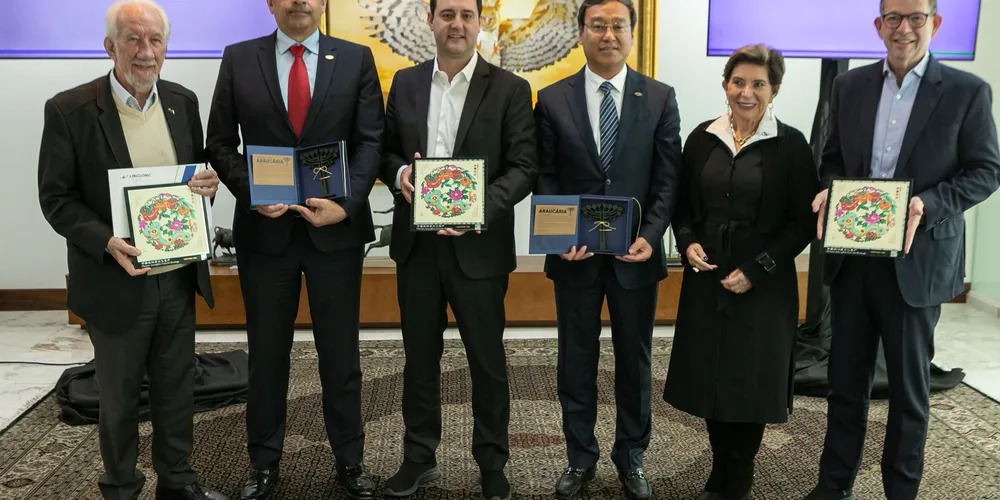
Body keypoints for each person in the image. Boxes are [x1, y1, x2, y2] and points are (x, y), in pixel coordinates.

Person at [804, 1, 1000, 499]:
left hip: (918, 262)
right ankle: (833, 487)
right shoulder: (849, 87)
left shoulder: (966, 92)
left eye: (915, 17)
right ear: (878, 26)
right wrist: (830, 189)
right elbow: (831, 160)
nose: (904, 28)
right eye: (893, 17)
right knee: (846, 386)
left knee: (910, 394)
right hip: (852, 261)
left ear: (934, 24)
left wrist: (926, 205)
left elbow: (985, 170)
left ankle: (901, 492)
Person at [36, 1, 226, 499]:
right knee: (118, 397)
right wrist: (105, 241)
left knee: (176, 387)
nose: (146, 52)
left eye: (155, 40)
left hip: (178, 274)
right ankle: (120, 486)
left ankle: (178, 482)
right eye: (133, 40)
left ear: (166, 46)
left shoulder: (182, 102)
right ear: (110, 47)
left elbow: (194, 176)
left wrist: (207, 183)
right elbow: (56, 199)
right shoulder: (69, 109)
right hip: (116, 277)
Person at [204, 0, 385, 498]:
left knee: (340, 355)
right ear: (270, 3)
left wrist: (346, 205)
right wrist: (254, 193)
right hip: (266, 235)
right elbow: (219, 143)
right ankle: (263, 464)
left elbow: (370, 141)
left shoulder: (355, 58)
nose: (299, 1)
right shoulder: (239, 58)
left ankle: (350, 461)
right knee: (266, 355)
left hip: (335, 234)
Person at [376, 0, 537, 496]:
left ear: (481, 22)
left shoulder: (510, 88)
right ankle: (418, 457)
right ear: (430, 20)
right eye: (446, 14)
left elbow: (524, 166)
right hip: (417, 248)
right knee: (418, 359)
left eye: (467, 14)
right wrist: (402, 174)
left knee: (487, 362)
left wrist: (479, 209)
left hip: (479, 250)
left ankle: (492, 464)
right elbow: (384, 151)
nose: (457, 24)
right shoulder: (404, 83)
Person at [531, 0, 681, 498]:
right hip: (575, 256)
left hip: (634, 256)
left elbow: (667, 180)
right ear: (580, 34)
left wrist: (652, 235)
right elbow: (546, 176)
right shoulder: (552, 99)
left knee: (634, 361)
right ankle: (580, 458)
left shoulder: (659, 97)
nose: (608, 34)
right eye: (598, 25)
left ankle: (631, 455)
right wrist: (558, 235)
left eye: (618, 25)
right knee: (576, 358)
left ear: (631, 33)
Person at [661, 44, 818, 500]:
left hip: (763, 283)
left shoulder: (790, 144)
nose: (746, 92)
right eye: (738, 82)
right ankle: (718, 470)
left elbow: (804, 221)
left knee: (749, 381)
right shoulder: (701, 137)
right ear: (726, 85)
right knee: (711, 375)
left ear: (775, 91)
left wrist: (758, 269)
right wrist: (687, 240)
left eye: (758, 84)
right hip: (707, 277)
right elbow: (683, 207)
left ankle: (740, 475)